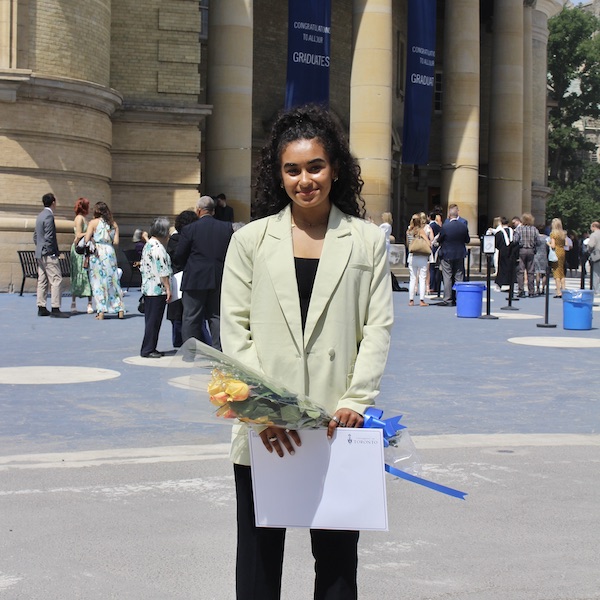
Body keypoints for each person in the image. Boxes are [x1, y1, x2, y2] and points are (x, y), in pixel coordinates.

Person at [220, 104, 393, 600]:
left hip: (335, 425)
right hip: (265, 429)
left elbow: (376, 326)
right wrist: (263, 411)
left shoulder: (365, 242)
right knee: (257, 561)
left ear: (335, 167)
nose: (305, 180)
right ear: (278, 175)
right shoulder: (250, 241)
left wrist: (356, 401)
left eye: (315, 166)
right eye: (292, 169)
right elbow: (236, 332)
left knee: (338, 567)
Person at [175, 195, 233, 348]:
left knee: (191, 317)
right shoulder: (227, 227)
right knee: (217, 316)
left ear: (198, 210)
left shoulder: (189, 229)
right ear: (213, 211)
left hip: (195, 277)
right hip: (219, 276)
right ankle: (219, 351)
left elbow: (180, 254)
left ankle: (189, 352)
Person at [85, 201, 125, 319]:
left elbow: (87, 239)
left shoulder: (93, 223)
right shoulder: (113, 224)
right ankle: (119, 308)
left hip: (98, 252)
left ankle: (101, 310)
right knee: (113, 280)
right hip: (110, 252)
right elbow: (116, 242)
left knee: (98, 281)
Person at [139, 217, 172, 358]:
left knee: (150, 320)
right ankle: (148, 349)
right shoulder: (158, 248)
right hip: (157, 289)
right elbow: (163, 270)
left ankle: (149, 347)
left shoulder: (149, 245)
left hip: (148, 287)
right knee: (154, 321)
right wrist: (168, 288)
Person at [166, 210, 199, 348]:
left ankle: (178, 340)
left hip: (175, 277)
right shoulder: (193, 240)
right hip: (190, 278)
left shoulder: (173, 240)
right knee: (191, 312)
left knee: (176, 312)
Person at [34, 193, 69, 318]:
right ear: (53, 202)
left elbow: (36, 236)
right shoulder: (49, 216)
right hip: (48, 254)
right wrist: (52, 252)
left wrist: (39, 247)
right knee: (56, 280)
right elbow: (50, 237)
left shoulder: (40, 216)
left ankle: (41, 306)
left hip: (39, 253)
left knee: (42, 280)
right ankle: (55, 307)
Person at [435, 204, 470, 306]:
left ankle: (448, 299)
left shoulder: (445, 227)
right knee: (459, 277)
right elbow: (467, 240)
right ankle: (459, 298)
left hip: (447, 254)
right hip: (459, 254)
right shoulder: (463, 226)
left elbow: (440, 239)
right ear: (457, 214)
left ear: (449, 215)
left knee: (447, 277)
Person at [70, 197, 93, 314]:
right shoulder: (79, 218)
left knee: (87, 274)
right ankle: (73, 302)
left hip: (85, 249)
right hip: (79, 250)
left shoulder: (84, 218)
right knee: (79, 274)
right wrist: (90, 232)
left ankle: (89, 302)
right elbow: (78, 234)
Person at [405, 213, 430, 306]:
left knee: (412, 278)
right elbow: (428, 242)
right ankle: (421, 300)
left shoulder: (408, 231)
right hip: (422, 256)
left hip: (412, 256)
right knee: (422, 278)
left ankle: (411, 300)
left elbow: (408, 244)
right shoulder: (421, 231)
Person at [513, 213, 539, 298]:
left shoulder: (519, 229)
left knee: (520, 271)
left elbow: (515, 240)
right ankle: (531, 291)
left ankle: (521, 291)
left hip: (522, 250)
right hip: (531, 250)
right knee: (531, 272)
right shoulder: (534, 229)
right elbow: (538, 241)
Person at [493, 217, 518, 292]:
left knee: (502, 269)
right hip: (512, 253)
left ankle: (499, 285)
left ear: (501, 223)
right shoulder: (513, 232)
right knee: (512, 269)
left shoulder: (499, 233)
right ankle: (512, 284)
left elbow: (496, 244)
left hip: (503, 252)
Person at [548, 217, 567, 298]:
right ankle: (564, 289)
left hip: (556, 252)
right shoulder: (563, 233)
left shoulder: (553, 234)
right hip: (562, 251)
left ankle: (558, 292)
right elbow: (565, 244)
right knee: (561, 271)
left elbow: (552, 245)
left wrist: (548, 243)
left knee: (556, 272)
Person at [533, 226, 549, 296]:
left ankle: (537, 289)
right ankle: (543, 288)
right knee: (544, 273)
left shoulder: (536, 238)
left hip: (537, 255)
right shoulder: (547, 238)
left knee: (537, 273)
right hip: (544, 256)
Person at [586, 221, 600, 294]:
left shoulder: (593, 235)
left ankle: (596, 290)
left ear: (594, 226)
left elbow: (591, 245)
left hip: (597, 257)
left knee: (596, 274)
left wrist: (588, 249)